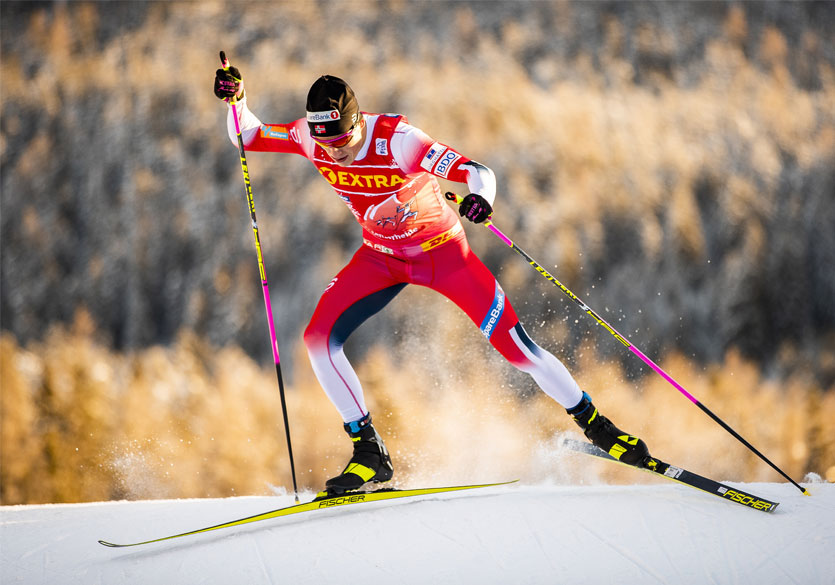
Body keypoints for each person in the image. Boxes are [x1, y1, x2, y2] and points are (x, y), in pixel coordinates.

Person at [214, 64, 650, 496]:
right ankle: (369, 452)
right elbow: (247, 135)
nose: (335, 153)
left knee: (518, 349)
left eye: (343, 140)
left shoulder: (399, 141)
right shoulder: (311, 138)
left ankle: (599, 428)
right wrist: (238, 99)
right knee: (317, 340)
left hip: (443, 254)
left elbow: (478, 172)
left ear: (356, 123)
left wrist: (480, 198)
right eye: (325, 144)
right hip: (381, 257)